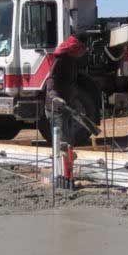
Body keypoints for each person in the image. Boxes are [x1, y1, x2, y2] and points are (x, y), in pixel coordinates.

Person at [45, 35, 85, 189]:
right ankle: (62, 176)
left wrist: (74, 104)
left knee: (69, 141)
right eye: (79, 51)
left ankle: (67, 175)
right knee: (62, 142)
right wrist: (55, 96)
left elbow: (71, 84)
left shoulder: (72, 61)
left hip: (66, 106)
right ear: (72, 50)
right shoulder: (60, 61)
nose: (81, 53)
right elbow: (51, 82)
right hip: (56, 108)